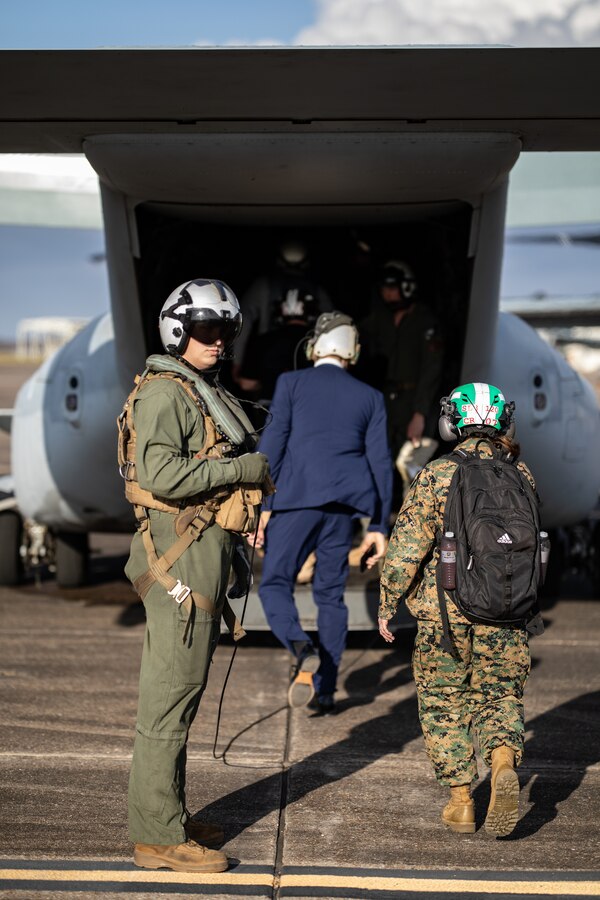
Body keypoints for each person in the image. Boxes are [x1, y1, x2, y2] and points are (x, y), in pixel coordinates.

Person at [118, 278, 271, 873]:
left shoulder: (194, 389)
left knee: (180, 700)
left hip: (199, 551)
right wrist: (243, 467)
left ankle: (169, 816)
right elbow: (159, 475)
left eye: (224, 331)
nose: (217, 342)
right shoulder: (165, 394)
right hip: (178, 558)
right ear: (178, 331)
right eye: (206, 331)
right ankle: (156, 837)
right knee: (167, 702)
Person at [378, 382, 537, 837]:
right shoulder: (521, 474)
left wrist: (388, 601)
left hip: (445, 616)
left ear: (453, 422)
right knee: (501, 695)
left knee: (444, 701)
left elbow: (408, 547)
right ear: (503, 421)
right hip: (507, 612)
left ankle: (462, 801)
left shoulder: (436, 474)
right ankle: (503, 760)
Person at [254, 311, 393, 714]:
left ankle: (301, 648)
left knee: (275, 584)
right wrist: (379, 525)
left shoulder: (291, 383)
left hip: (295, 502)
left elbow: (273, 445)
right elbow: (381, 463)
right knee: (331, 596)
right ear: (353, 351)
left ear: (315, 347)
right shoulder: (370, 397)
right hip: (343, 510)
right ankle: (327, 688)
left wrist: (261, 506)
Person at [358, 260, 444, 502]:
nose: (388, 293)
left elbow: (431, 369)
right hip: (387, 398)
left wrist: (420, 413)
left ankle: (411, 524)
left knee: (410, 464)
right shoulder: (380, 319)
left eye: (393, 287)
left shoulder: (425, 321)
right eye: (384, 288)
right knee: (378, 459)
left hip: (414, 399)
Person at [232, 238, 333, 388]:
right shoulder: (317, 289)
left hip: (268, 359)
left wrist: (238, 363)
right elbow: (332, 323)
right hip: (308, 357)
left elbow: (244, 319)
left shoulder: (264, 285)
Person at [238, 287, 318, 402]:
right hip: (309, 406)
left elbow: (246, 384)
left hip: (269, 409)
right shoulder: (320, 342)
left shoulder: (263, 341)